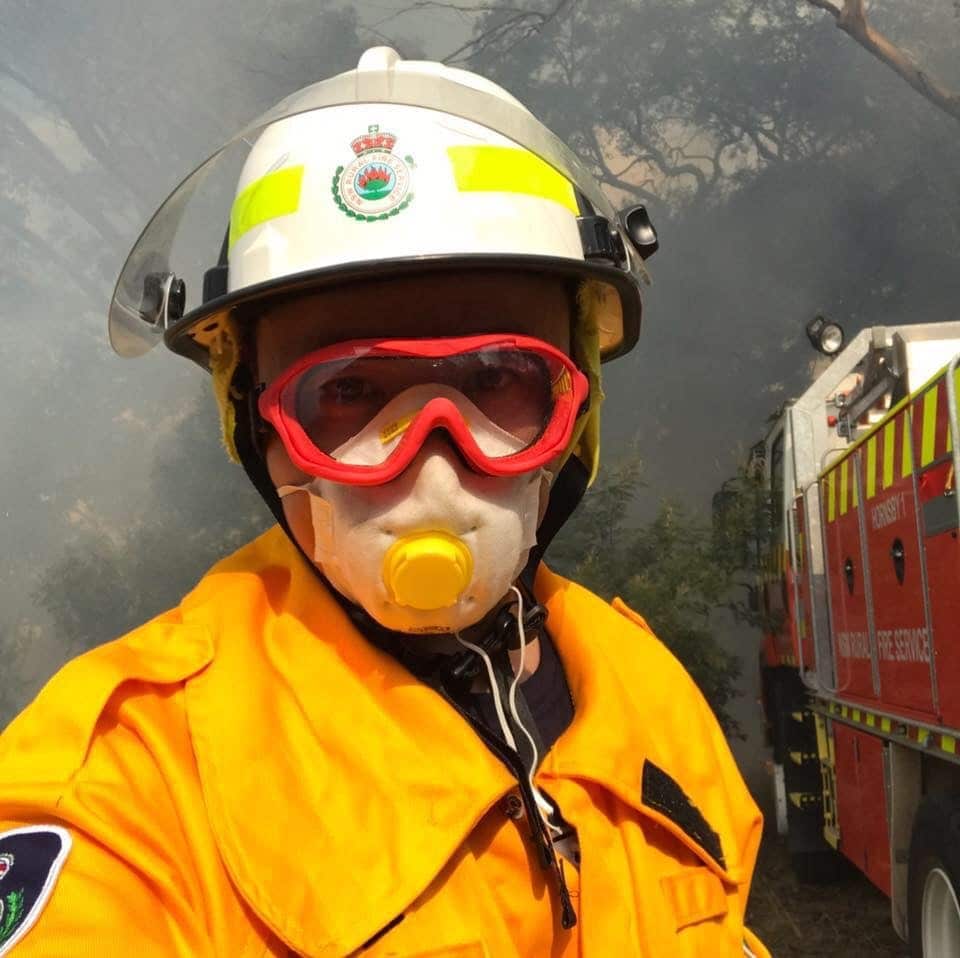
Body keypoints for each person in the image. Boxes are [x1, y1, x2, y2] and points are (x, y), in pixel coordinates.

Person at [0, 48, 767, 957]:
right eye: (351, 393)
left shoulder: (646, 694)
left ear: (577, 410)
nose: (432, 464)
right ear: (260, 428)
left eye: (499, 377)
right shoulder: (132, 782)